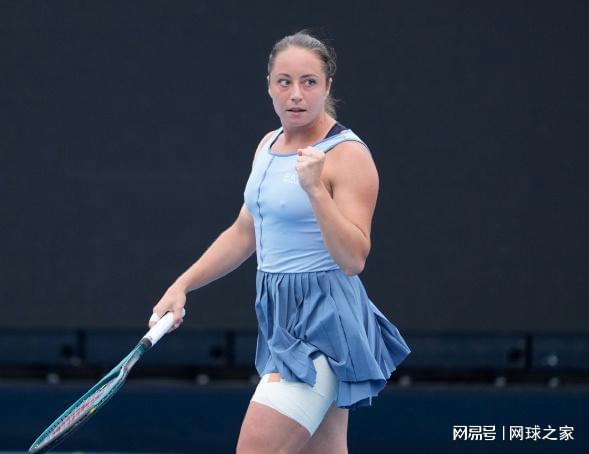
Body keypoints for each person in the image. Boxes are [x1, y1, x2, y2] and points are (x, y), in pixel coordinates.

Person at [149, 30, 411, 453]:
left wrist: (315, 190)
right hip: (278, 318)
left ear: (327, 86)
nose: (296, 94)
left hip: (325, 323)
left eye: (309, 82)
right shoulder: (267, 145)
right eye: (284, 82)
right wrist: (182, 286)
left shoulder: (348, 155)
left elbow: (353, 259)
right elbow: (245, 231)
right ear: (269, 85)